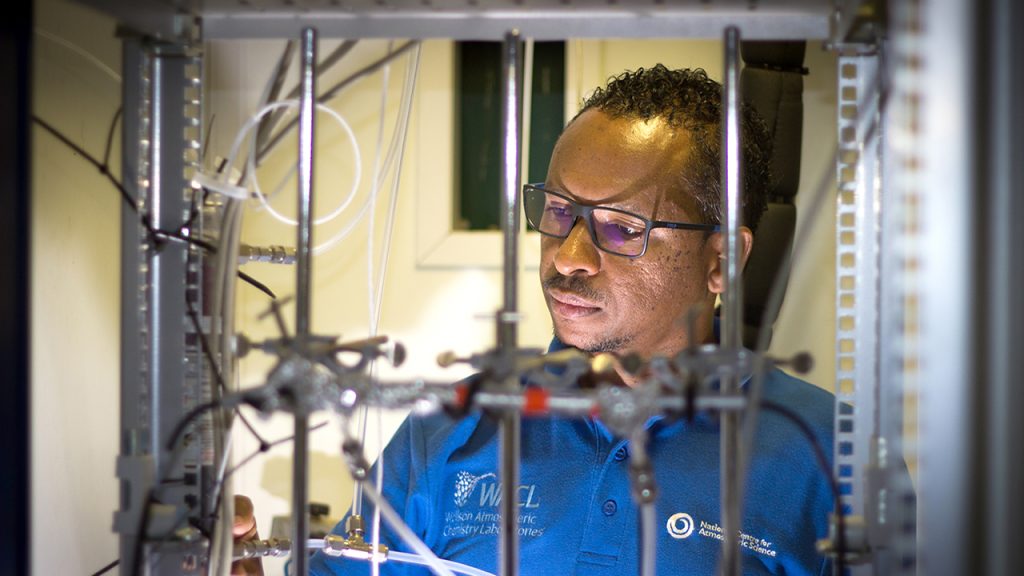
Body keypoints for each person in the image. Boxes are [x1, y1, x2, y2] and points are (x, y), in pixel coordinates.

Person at [238, 65, 836, 575]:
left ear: (721, 261)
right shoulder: (449, 435)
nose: (569, 257)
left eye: (622, 228)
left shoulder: (828, 454)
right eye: (558, 211)